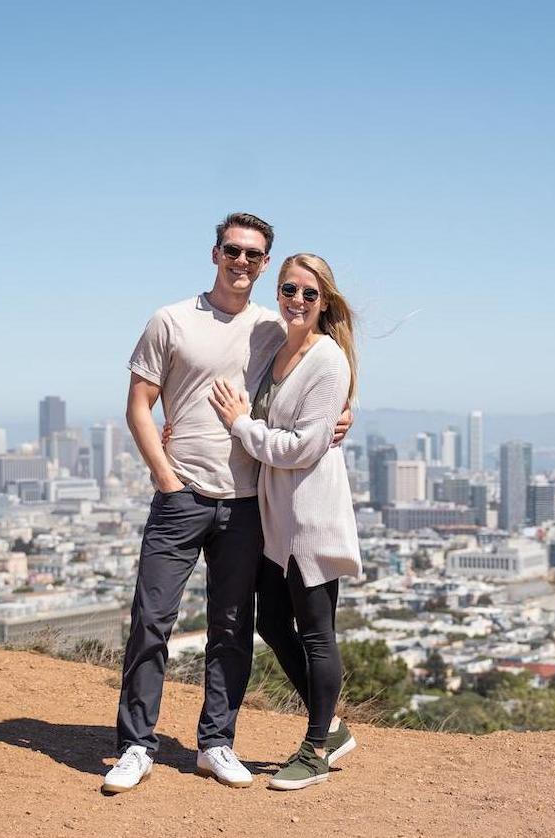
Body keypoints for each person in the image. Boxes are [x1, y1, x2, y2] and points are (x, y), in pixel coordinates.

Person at [102, 215, 351, 794]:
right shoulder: (171, 320)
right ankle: (136, 745)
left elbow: (322, 372)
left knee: (232, 629)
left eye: (255, 255)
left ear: (266, 264)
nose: (243, 261)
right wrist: (165, 478)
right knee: (152, 621)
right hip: (182, 494)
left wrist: (346, 413)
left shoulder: (275, 326)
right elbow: (139, 403)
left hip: (245, 505)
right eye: (233, 250)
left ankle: (216, 743)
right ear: (215, 253)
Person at [209, 252, 362, 791]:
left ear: (326, 303)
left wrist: (239, 426)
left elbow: (301, 448)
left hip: (310, 517)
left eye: (309, 294)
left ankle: (317, 747)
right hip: (277, 521)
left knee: (318, 633)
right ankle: (333, 727)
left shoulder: (327, 361)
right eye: (288, 290)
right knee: (272, 621)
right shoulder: (276, 344)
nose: (296, 301)